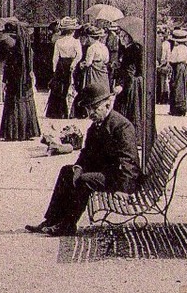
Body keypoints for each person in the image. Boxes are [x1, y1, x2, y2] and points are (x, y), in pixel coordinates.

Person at [26, 88, 139, 236]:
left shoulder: (121, 126)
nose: (91, 113)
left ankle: (68, 225)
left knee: (85, 180)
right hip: (106, 172)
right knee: (67, 171)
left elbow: (128, 160)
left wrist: (123, 188)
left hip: (120, 177)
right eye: (88, 109)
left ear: (107, 105)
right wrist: (78, 167)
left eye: (95, 108)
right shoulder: (96, 125)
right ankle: (52, 220)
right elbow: (87, 152)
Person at [0, 17, 42, 141]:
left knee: (13, 103)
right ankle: (28, 131)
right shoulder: (27, 47)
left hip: (14, 79)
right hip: (25, 79)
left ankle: (14, 132)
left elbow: (8, 65)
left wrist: (5, 80)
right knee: (26, 102)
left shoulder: (11, 46)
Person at [111, 18, 145, 127]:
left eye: (124, 36)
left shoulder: (133, 49)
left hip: (130, 82)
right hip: (130, 80)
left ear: (130, 37)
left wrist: (121, 84)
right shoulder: (128, 49)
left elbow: (131, 69)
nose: (122, 39)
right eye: (120, 36)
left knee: (128, 109)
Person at [74, 24, 112, 117]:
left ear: (90, 38)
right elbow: (107, 60)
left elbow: (88, 62)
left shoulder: (92, 48)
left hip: (94, 71)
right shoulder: (104, 47)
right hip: (102, 69)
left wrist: (81, 64)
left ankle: (89, 111)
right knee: (102, 90)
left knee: (92, 90)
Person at [47, 17, 80, 120]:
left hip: (60, 65)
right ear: (73, 31)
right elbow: (79, 55)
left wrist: (54, 70)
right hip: (70, 64)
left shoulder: (59, 42)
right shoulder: (75, 42)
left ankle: (57, 112)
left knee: (59, 88)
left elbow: (55, 58)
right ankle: (69, 112)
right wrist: (73, 64)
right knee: (69, 87)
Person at [166, 28, 187, 116]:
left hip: (177, 68)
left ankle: (176, 109)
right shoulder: (186, 48)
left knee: (176, 87)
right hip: (184, 68)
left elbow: (172, 60)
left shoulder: (176, 48)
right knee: (184, 87)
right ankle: (183, 108)